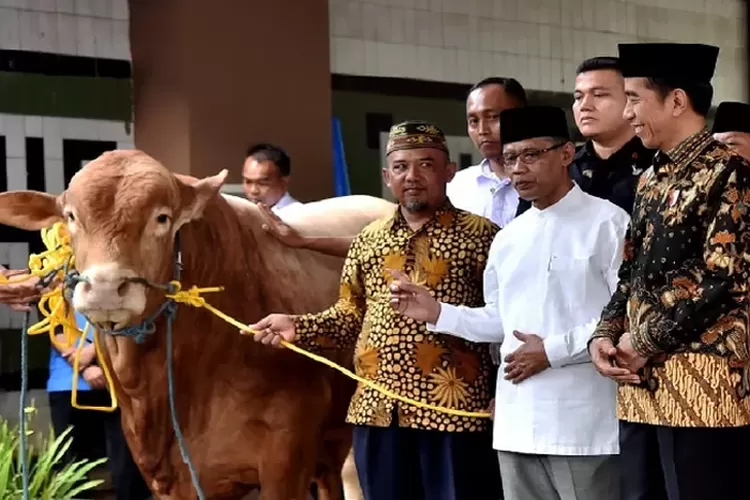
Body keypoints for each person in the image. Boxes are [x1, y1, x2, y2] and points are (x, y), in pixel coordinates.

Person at [246, 121, 502, 500]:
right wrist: (297, 327)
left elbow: (504, 321)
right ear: (386, 176)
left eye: (426, 165)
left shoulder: (484, 236)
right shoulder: (369, 239)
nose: (412, 176)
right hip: (378, 412)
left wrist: (502, 392)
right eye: (400, 167)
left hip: (455, 412)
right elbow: (349, 315)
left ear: (449, 172)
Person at [389, 106, 627, 500]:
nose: (518, 168)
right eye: (511, 158)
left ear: (566, 154)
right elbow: (501, 320)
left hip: (584, 427)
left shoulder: (608, 224)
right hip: (516, 426)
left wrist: (549, 352)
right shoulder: (509, 238)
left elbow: (624, 314)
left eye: (531, 155)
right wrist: (437, 312)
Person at [589, 43, 750, 500]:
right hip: (640, 385)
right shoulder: (651, 179)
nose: (627, 112)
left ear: (676, 101)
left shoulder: (731, 173)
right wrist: (604, 334)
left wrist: (642, 341)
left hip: (704, 386)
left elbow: (724, 278)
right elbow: (632, 271)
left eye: (635, 98)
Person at [47, 311, 152, 500]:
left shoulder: (122, 283)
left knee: (128, 465)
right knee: (70, 466)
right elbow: (55, 328)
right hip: (67, 384)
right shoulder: (58, 284)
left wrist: (93, 350)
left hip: (118, 383)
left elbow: (133, 322)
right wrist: (84, 365)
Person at [571, 56, 654, 214]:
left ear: (631, 99)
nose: (584, 106)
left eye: (599, 95)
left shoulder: (658, 165)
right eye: (578, 97)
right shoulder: (562, 167)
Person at [447, 77, 527, 226]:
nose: (482, 130)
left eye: (492, 117)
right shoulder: (455, 188)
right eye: (474, 121)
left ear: (523, 117)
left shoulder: (550, 187)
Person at [242, 143, 301, 212]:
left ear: (284, 182)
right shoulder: (242, 213)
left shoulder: (298, 215)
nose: (253, 190)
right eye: (248, 182)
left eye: (262, 183)